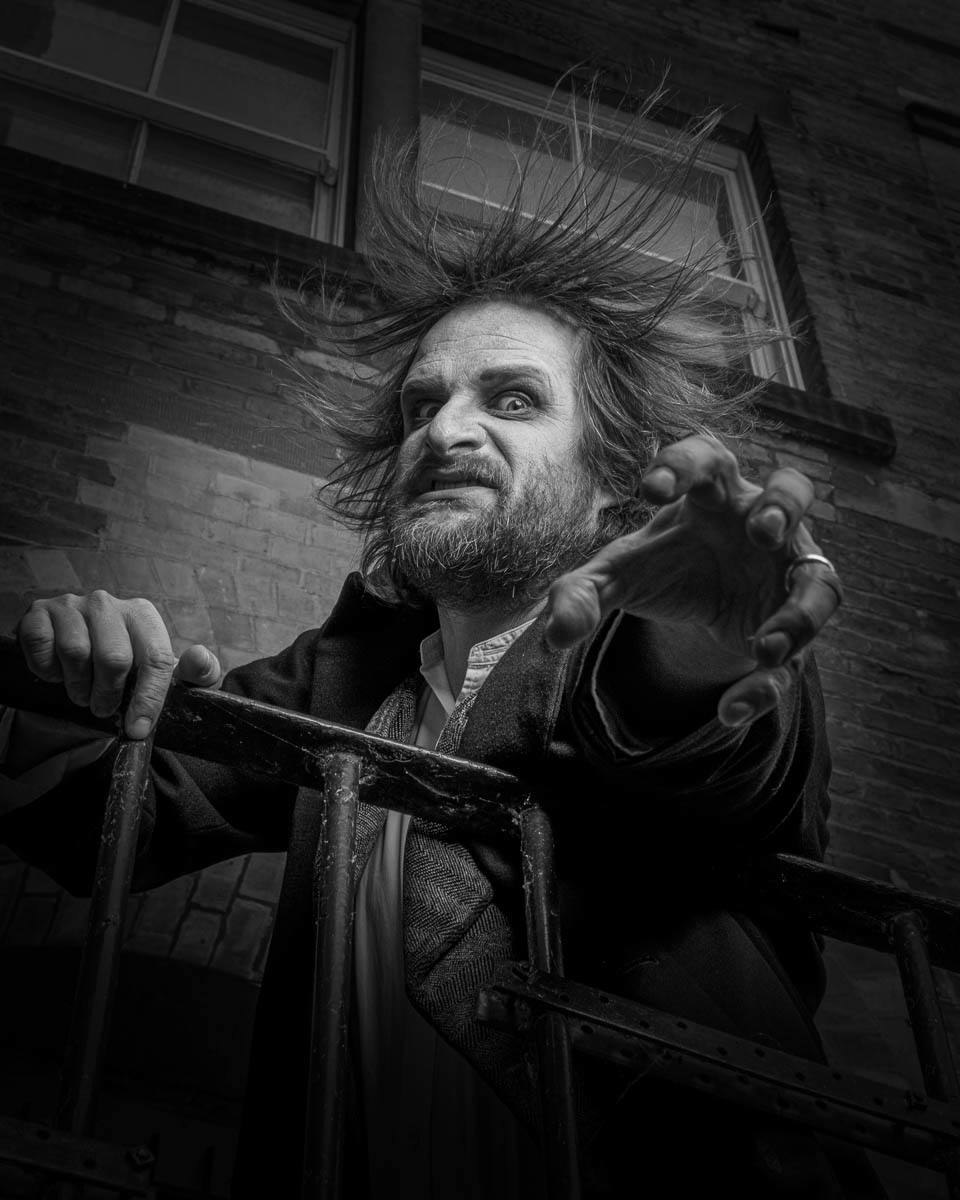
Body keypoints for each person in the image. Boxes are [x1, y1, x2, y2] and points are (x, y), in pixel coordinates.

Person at [1, 96, 877, 1198]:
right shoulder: (342, 678)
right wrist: (62, 674)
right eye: (424, 405)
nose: (446, 430)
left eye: (512, 399)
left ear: (609, 483)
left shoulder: (660, 639)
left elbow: (704, 733)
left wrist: (716, 628)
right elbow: (97, 817)